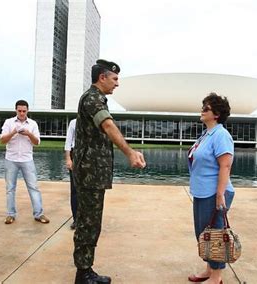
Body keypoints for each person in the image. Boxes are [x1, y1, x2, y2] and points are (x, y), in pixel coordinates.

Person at [72, 59, 146, 284]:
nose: (117, 83)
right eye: (114, 79)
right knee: (88, 222)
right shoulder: (93, 98)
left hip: (93, 172)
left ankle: (85, 269)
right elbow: (108, 125)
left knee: (91, 221)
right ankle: (83, 273)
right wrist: (129, 152)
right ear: (102, 78)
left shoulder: (96, 98)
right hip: (90, 173)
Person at [187, 93, 235, 284]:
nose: (202, 110)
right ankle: (209, 270)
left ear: (216, 114)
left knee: (215, 235)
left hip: (214, 193)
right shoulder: (207, 134)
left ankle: (216, 277)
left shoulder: (221, 135)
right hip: (201, 191)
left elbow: (225, 165)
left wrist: (220, 194)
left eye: (206, 108)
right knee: (203, 233)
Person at [0, 100, 49, 225]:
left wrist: (28, 133)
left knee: (33, 187)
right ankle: (10, 214)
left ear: (27, 111)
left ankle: (39, 213)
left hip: (27, 159)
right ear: (16, 110)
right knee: (10, 188)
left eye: (24, 111)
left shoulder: (32, 124)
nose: (21, 113)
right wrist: (14, 132)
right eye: (19, 111)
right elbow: (2, 141)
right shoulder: (9, 122)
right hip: (11, 158)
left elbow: (37, 142)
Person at [64, 118, 78, 230]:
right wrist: (68, 158)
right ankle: (76, 219)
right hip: (75, 153)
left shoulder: (95, 121)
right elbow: (68, 142)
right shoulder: (74, 122)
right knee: (75, 189)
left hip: (90, 155)